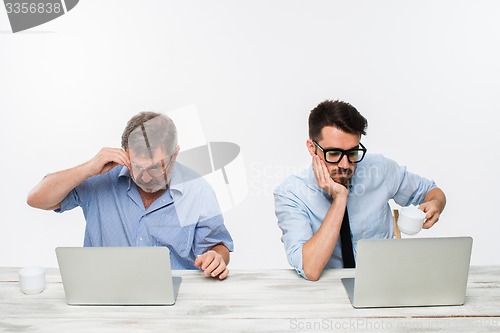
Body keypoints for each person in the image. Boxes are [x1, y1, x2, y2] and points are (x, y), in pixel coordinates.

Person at [27, 112, 233, 280]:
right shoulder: (101, 177)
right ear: (125, 153)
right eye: (137, 166)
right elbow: (36, 199)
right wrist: (87, 168)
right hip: (103, 293)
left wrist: (216, 257)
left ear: (175, 154)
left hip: (174, 300)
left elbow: (218, 245)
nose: (145, 177)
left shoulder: (197, 190)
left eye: (155, 168)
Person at [273, 100, 446, 281]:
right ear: (312, 148)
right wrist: (340, 198)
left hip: (386, 283)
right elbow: (310, 268)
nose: (345, 164)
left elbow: (432, 191)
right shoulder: (291, 194)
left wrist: (435, 204)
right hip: (329, 293)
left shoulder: (380, 169)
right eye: (333, 153)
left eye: (353, 152)